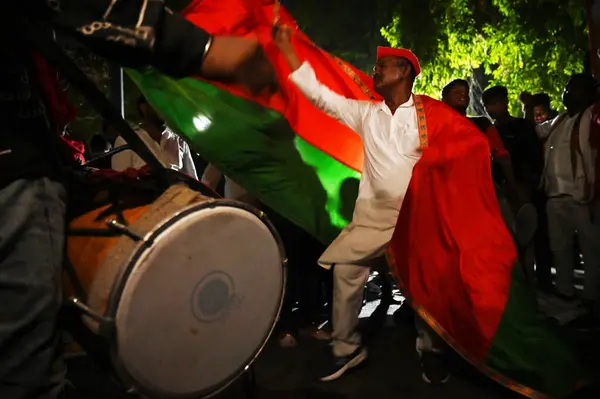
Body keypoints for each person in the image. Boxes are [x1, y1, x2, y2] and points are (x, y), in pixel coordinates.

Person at [0, 2, 275, 398]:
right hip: (11, 167)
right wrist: (198, 48)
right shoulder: (131, 140)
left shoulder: (177, 139)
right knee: (25, 376)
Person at [535, 74, 600, 313]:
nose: (567, 92)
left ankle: (591, 298)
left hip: (582, 196)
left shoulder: (593, 115)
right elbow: (537, 131)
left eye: (573, 88)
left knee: (591, 249)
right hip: (555, 196)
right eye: (567, 87)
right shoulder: (559, 121)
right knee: (560, 248)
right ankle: (566, 293)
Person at [112, 96, 198, 179]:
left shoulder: (179, 141)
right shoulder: (125, 141)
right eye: (159, 102)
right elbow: (119, 183)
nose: (165, 108)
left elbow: (193, 182)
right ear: (144, 107)